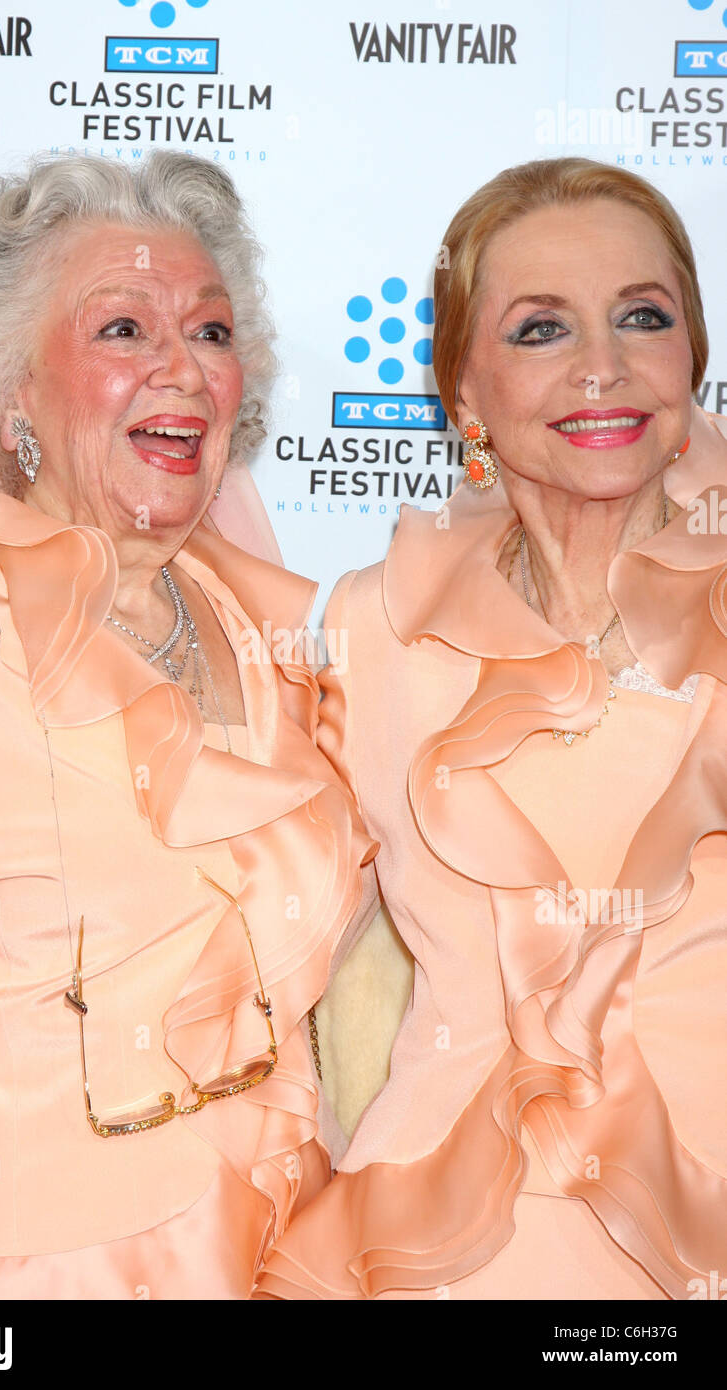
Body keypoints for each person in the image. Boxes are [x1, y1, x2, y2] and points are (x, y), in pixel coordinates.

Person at [0, 150, 374, 1299]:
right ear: (7, 386)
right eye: (123, 332)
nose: (181, 371)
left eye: (209, 330)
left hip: (270, 1246)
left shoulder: (269, 639)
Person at [255, 157, 727, 1300]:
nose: (599, 366)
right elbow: (270, 929)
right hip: (443, 1246)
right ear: (458, 392)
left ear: (692, 361)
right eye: (538, 329)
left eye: (641, 317)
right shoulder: (372, 628)